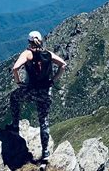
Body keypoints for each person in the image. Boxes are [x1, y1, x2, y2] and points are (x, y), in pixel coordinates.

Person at [7, 30, 67, 163]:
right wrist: (54, 80)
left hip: (30, 90)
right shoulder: (48, 54)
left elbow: (15, 68)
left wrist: (18, 82)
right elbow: (63, 65)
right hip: (45, 92)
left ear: (29, 41)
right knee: (43, 121)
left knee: (14, 98)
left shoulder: (27, 53)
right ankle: (45, 153)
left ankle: (15, 126)